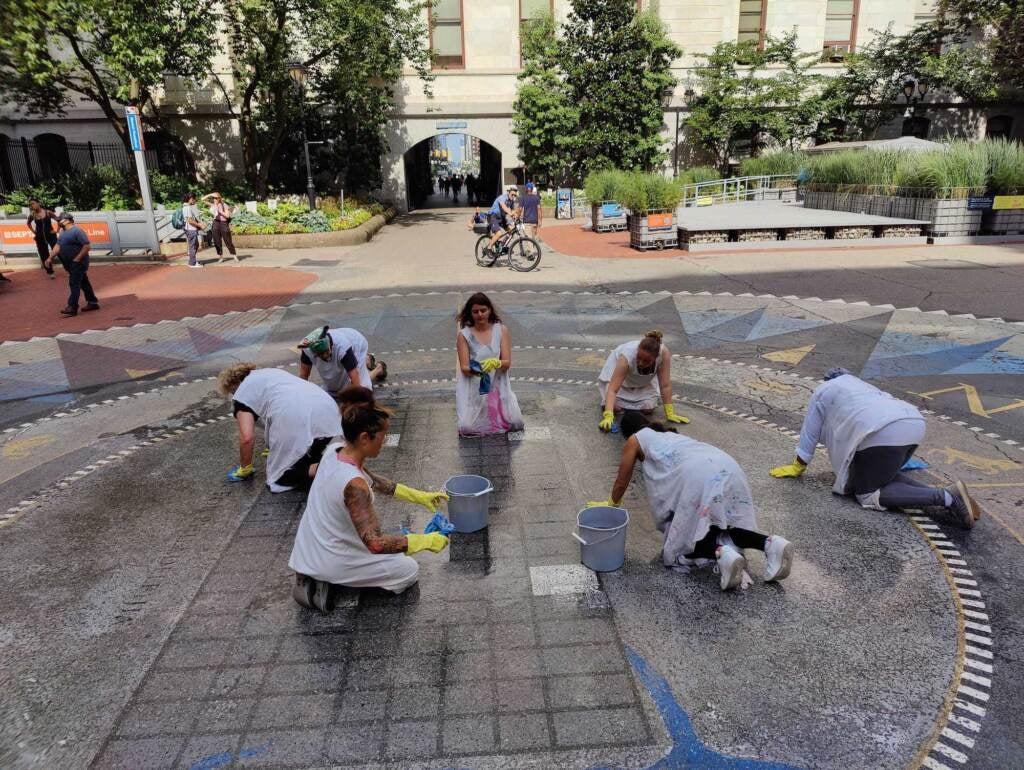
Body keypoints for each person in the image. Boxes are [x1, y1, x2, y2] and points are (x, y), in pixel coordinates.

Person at [588, 412, 794, 590]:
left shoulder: (634, 439)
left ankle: (722, 554)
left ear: (627, 433)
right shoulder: (668, 435)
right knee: (723, 527)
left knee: (680, 545)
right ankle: (770, 543)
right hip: (725, 464)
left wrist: (611, 505)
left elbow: (622, 479)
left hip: (698, 475)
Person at [289, 387, 450, 610]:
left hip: (307, 549)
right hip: (333, 557)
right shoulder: (355, 486)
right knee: (408, 571)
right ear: (365, 437)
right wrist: (424, 541)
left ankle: (316, 576)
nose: (383, 444)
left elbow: (375, 481)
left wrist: (419, 496)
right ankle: (331, 581)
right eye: (382, 438)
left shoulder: (335, 450)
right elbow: (375, 544)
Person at [769, 368, 980, 529]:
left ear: (827, 379)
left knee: (867, 494)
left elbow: (810, 431)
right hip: (913, 423)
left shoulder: (824, 390)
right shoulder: (861, 386)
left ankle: (945, 497)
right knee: (882, 477)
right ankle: (953, 493)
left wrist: (799, 465)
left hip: (883, 432)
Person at [217, 363, 342, 492]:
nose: (234, 395)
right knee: (306, 455)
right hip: (327, 407)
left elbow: (246, 438)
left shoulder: (241, 396)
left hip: (296, 416)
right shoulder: (269, 373)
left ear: (234, 385)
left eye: (232, 392)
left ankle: (332, 468)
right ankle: (340, 459)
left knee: (280, 476)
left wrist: (245, 468)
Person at [455, 292, 524, 436]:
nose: (480, 314)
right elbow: (464, 368)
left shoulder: (501, 330)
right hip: (475, 387)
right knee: (467, 427)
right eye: (475, 312)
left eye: (483, 310)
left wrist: (496, 363)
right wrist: (479, 370)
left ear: (490, 310)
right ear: (470, 314)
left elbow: (507, 363)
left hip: (498, 386)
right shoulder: (464, 335)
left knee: (515, 422)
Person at [597, 330, 689, 431]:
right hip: (618, 381)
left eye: (646, 361)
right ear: (637, 351)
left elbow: (665, 385)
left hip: (644, 383)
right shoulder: (626, 356)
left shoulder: (663, 354)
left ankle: (630, 402)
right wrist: (608, 415)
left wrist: (670, 412)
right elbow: (613, 389)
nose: (640, 363)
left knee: (648, 409)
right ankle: (615, 405)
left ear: (656, 358)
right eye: (638, 358)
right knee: (614, 408)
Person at [297, 326, 387, 396]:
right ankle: (365, 361)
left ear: (330, 346)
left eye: (327, 353)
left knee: (361, 390)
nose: (325, 357)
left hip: (355, 343)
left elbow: (355, 380)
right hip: (344, 349)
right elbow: (303, 376)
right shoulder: (307, 349)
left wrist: (355, 406)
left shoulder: (342, 347)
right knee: (334, 388)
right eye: (320, 355)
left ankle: (379, 369)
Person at [45, 213, 99, 317]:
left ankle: (72, 307)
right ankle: (92, 302)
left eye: (60, 220)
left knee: (74, 283)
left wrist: (77, 259)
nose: (58, 222)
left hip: (78, 263)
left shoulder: (77, 231)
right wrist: (50, 257)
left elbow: (87, 246)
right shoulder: (62, 232)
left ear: (67, 220)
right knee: (83, 282)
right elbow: (58, 246)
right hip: (69, 263)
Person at [202, 191, 238, 261]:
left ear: (219, 198)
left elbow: (227, 216)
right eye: (213, 198)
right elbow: (202, 199)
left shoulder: (224, 205)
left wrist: (220, 211)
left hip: (223, 223)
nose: (214, 200)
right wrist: (210, 194)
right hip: (216, 223)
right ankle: (221, 257)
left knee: (228, 240)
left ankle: (234, 255)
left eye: (216, 198)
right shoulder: (213, 205)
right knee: (217, 241)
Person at [26, 199, 57, 278]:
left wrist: (57, 230)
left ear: (38, 203)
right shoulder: (32, 214)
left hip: (50, 235)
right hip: (40, 237)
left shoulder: (48, 212)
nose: (32, 206)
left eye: (33, 203)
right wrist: (34, 232)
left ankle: (69, 268)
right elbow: (28, 223)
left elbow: (58, 219)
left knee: (58, 251)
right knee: (44, 255)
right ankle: (50, 272)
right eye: (30, 204)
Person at [484, 186, 518, 257]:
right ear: (508, 192)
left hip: (501, 217)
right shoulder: (502, 197)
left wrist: (516, 216)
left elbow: (512, 210)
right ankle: (488, 248)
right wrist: (511, 213)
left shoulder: (511, 201)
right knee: (499, 233)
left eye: (515, 195)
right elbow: (504, 207)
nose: (514, 196)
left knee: (511, 230)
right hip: (493, 216)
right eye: (512, 194)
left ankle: (502, 246)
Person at [181, 192, 206, 268]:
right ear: (191, 199)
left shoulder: (186, 206)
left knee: (195, 245)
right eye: (195, 199)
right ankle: (192, 263)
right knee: (193, 246)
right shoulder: (187, 208)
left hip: (190, 229)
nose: (195, 201)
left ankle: (192, 260)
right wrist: (199, 225)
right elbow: (190, 220)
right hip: (191, 229)